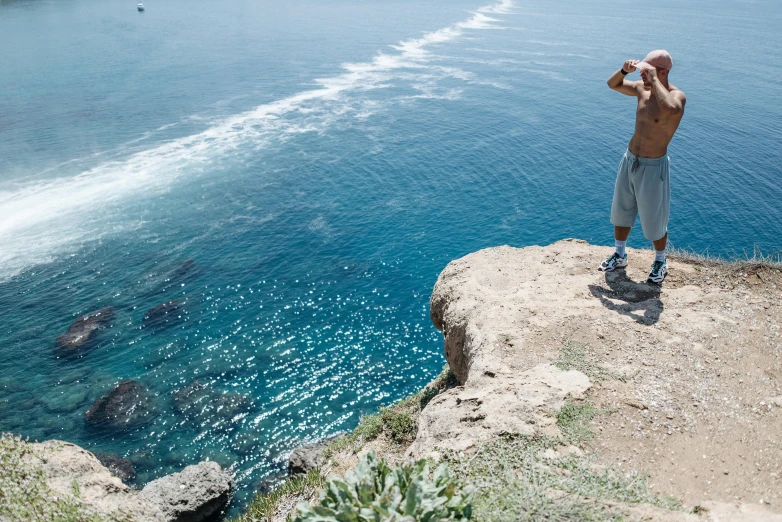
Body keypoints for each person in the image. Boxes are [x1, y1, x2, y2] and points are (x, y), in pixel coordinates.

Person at [599, 50, 686, 283]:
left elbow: (670, 109)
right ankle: (619, 254)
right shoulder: (641, 89)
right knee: (621, 209)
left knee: (653, 219)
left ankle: (660, 261)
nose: (643, 75)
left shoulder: (676, 96)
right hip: (630, 159)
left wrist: (655, 80)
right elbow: (612, 84)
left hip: (653, 166)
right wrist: (625, 70)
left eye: (648, 71)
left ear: (663, 72)